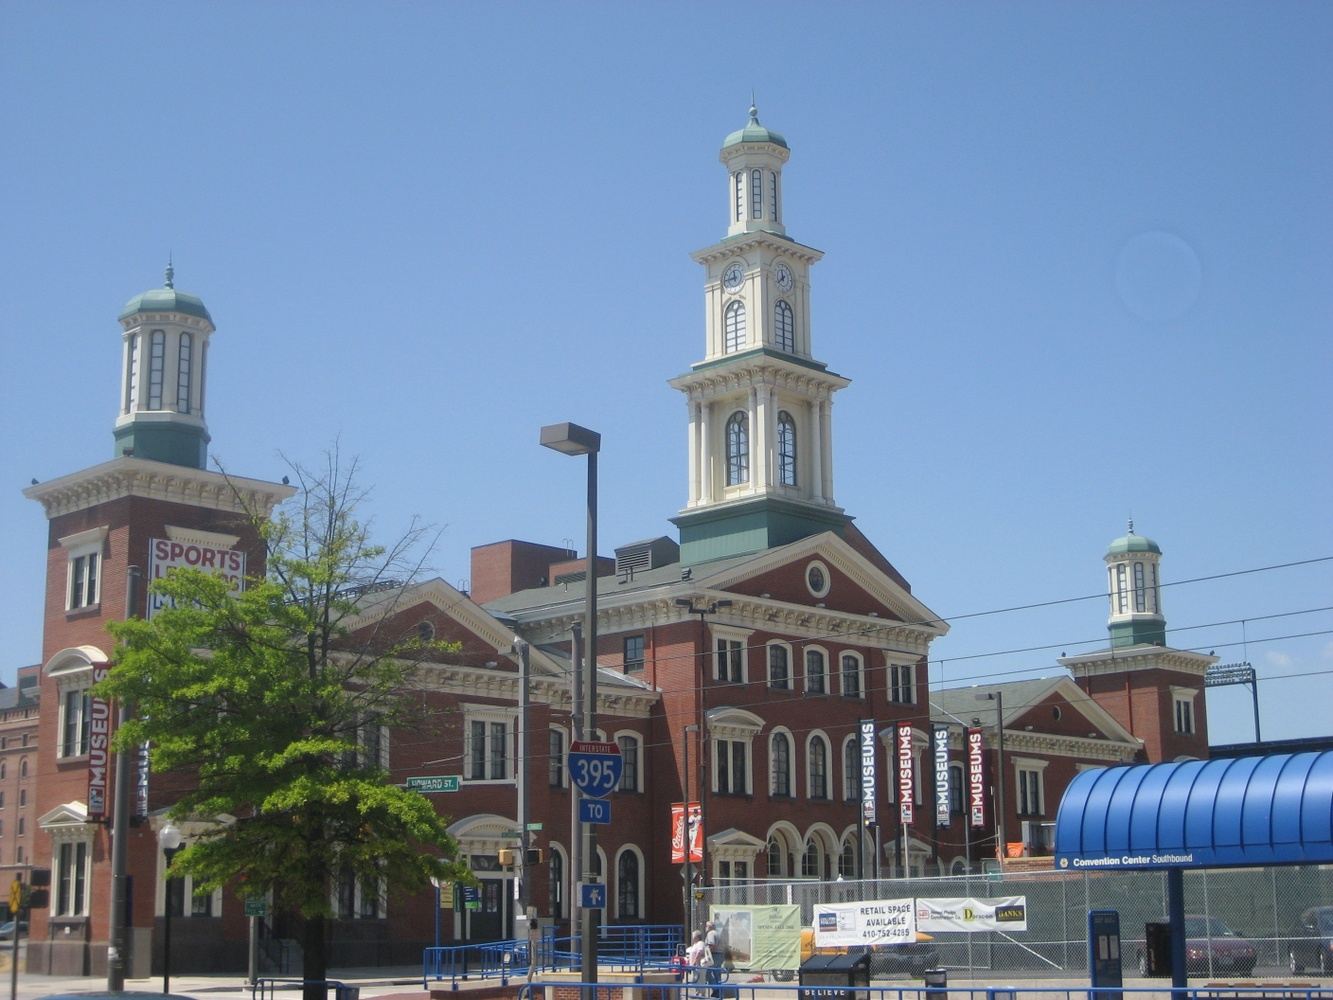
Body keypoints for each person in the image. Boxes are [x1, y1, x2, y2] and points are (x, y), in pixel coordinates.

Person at [703, 920, 722, 996]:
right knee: (717, 974)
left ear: (709, 927)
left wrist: (707, 956)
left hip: (713, 955)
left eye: (706, 926)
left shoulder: (710, 933)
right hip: (719, 955)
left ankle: (716, 989)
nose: (705, 927)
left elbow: (711, 945)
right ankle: (719, 991)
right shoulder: (717, 933)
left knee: (708, 973)